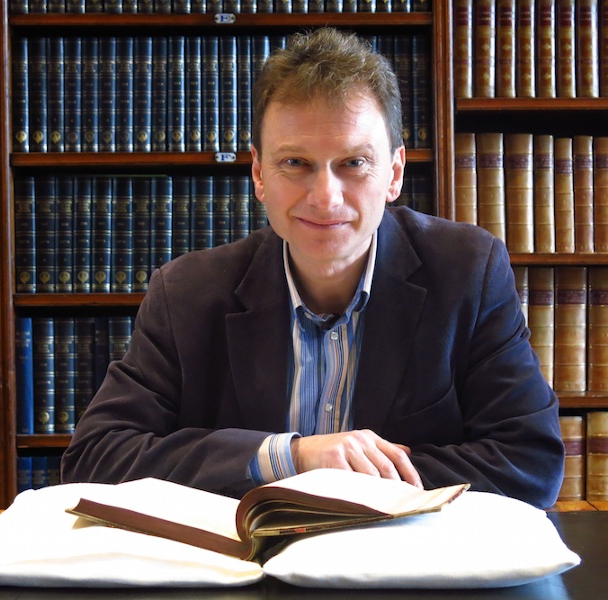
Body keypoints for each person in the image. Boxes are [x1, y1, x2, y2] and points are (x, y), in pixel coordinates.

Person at [61, 27, 564, 509]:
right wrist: (289, 457)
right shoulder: (187, 292)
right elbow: (95, 458)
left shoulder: (467, 273)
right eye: (296, 163)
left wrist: (346, 485)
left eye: (354, 162)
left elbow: (529, 463)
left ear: (394, 173)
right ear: (259, 174)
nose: (325, 198)